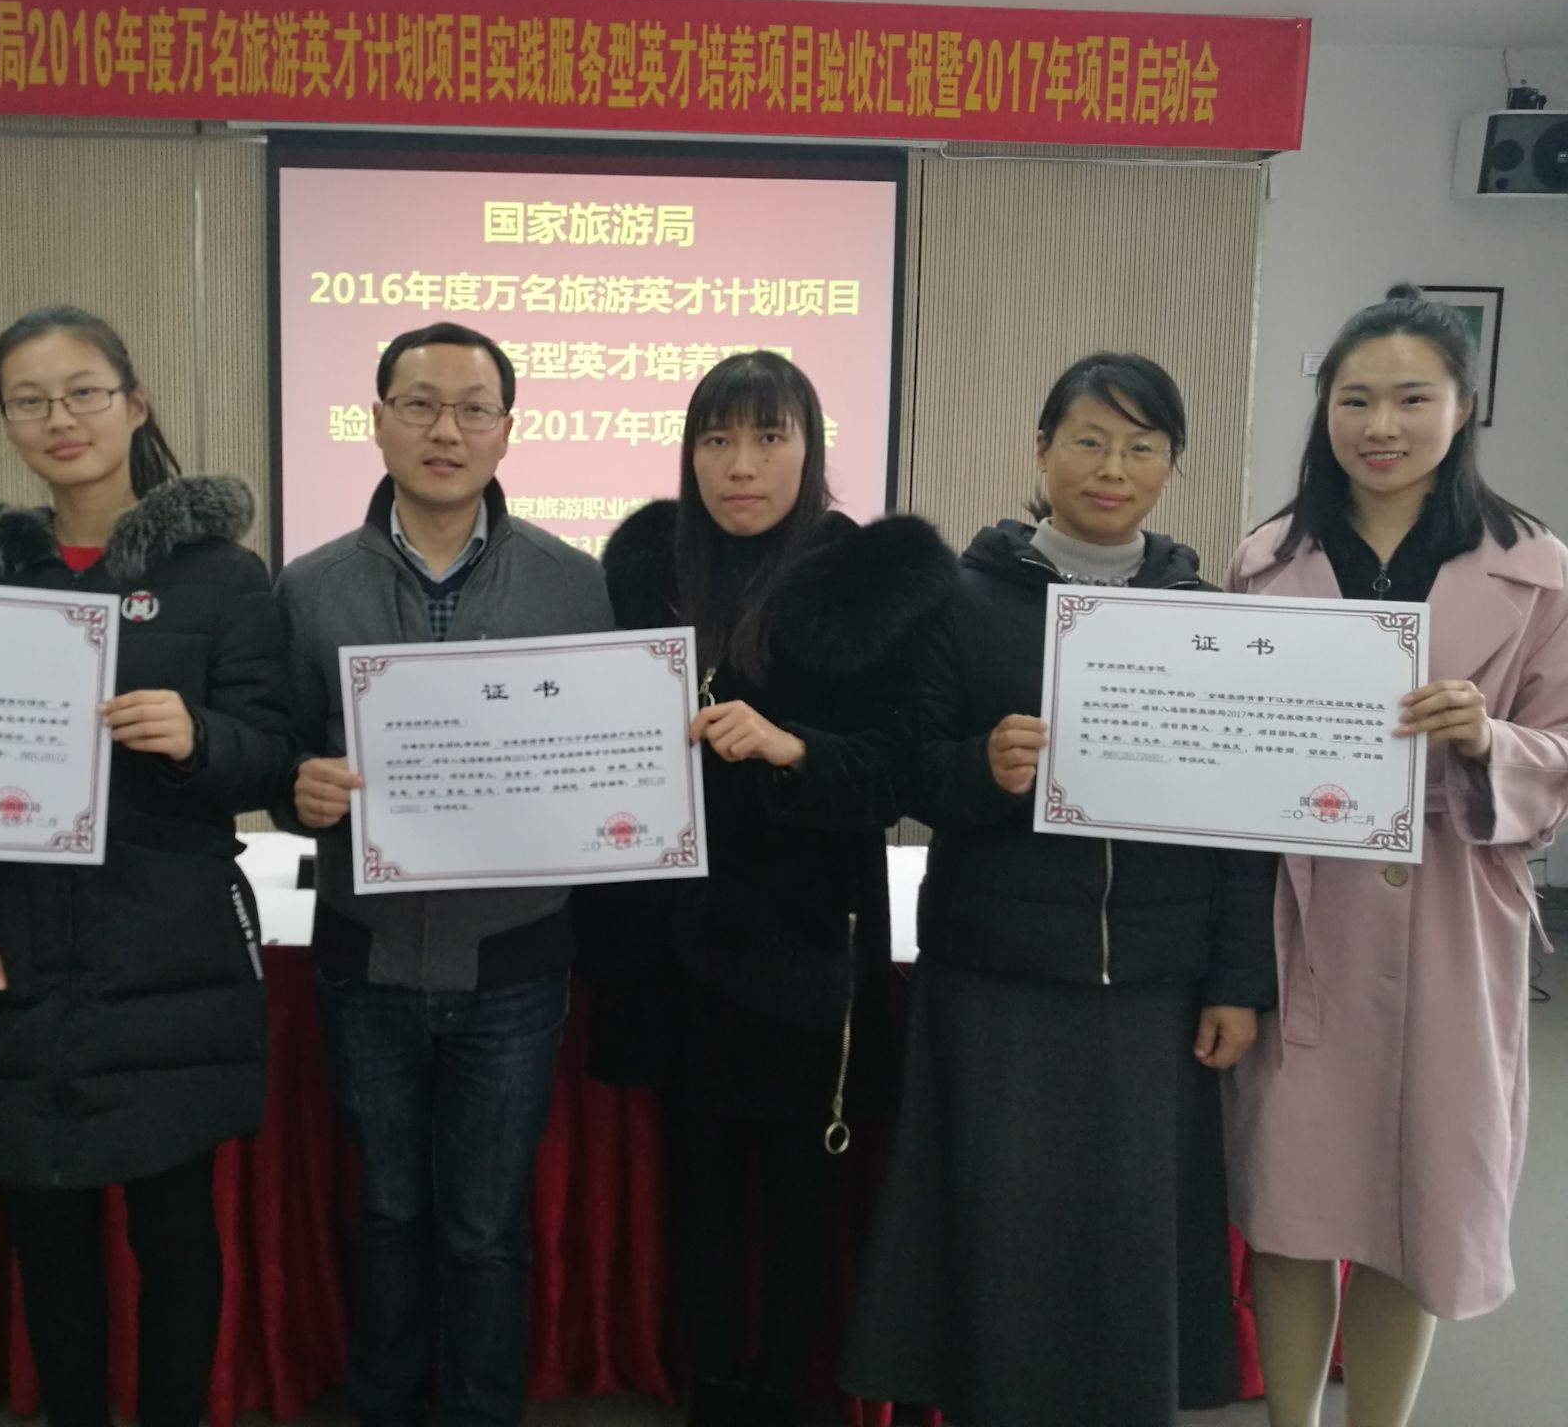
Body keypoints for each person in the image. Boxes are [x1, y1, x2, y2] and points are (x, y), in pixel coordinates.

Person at [840, 352, 1277, 1426]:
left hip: (1155, 986)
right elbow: (905, 771)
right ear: (1040, 451)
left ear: (1171, 464)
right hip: (998, 976)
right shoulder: (957, 601)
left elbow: (1244, 825)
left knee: (1130, 1242)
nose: (1111, 468)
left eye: (1140, 447)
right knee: (1001, 1239)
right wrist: (978, 769)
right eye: (1087, 440)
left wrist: (1236, 979)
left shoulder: (1208, 616)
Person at [0, 307, 296, 1427]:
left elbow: (273, 752)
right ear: (5, 423)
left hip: (167, 946)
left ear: (134, 404)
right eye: (29, 400)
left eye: (83, 391)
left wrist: (199, 736)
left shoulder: (222, 576)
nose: (59, 418)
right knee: (47, 1240)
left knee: (176, 1235)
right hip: (12, 946)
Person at [579, 351, 954, 1427]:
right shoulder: (645, 572)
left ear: (810, 448)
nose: (740, 465)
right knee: (694, 1188)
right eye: (716, 439)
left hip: (807, 947)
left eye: (767, 437)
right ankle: (712, 1391)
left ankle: (783, 1392)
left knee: (801, 1195)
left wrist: (793, 748)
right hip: (675, 944)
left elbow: (903, 770)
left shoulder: (872, 583)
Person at [1224, 285, 1568, 1427]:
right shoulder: (1264, 560)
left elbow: (1562, 749)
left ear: (1462, 407)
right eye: (1354, 398)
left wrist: (1490, 739)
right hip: (1304, 910)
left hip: (1450, 915)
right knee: (1290, 1205)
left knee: (1412, 1211)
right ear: (1323, 408)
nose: (1380, 425)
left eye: (1411, 399)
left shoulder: (1536, 567)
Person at [275, 320, 612, 1427]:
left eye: (473, 409)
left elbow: (604, 756)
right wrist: (293, 787)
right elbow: (275, 749)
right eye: (418, 405)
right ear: (375, 422)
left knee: (486, 1228)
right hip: (365, 955)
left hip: (514, 964)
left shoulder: (574, 585)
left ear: (507, 431)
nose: (445, 431)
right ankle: (384, 1404)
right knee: (384, 1212)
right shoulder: (309, 587)